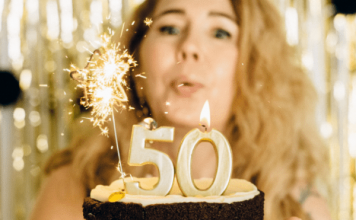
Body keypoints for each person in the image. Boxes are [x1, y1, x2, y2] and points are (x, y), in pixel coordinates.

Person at [29, 0, 332, 219]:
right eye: (170, 27)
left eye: (220, 32)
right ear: (135, 62)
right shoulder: (78, 187)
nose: (190, 46)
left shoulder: (296, 205)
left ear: (255, 68)